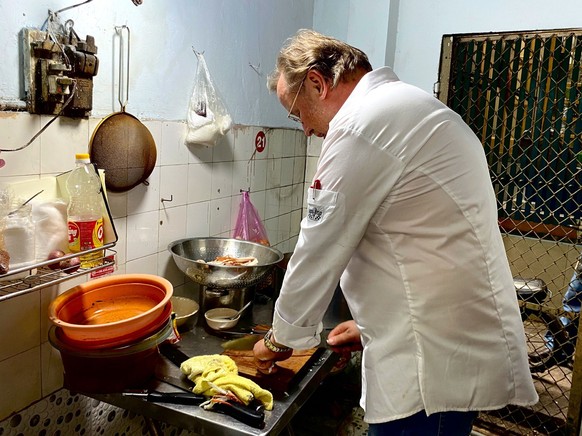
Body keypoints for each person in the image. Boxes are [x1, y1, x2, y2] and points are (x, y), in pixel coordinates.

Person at [253, 29, 538, 435]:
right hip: (444, 344)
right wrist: (370, 328)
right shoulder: (409, 106)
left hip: (430, 368)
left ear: (317, 83)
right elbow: (416, 241)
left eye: (297, 114)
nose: (305, 130)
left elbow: (319, 242)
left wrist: (281, 338)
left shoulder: (360, 124)